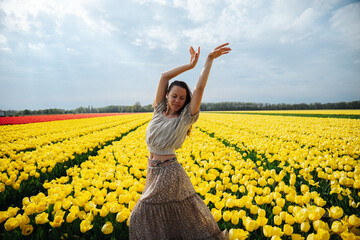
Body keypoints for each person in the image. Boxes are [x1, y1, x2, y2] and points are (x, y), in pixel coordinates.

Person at [129, 43, 231, 240]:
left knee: (138, 216)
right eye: (174, 96)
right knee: (171, 222)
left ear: (186, 101)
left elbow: (199, 88)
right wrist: (189, 65)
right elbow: (164, 77)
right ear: (166, 95)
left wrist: (208, 60)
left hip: (169, 172)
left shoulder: (185, 118)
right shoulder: (158, 110)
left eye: (182, 98)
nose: (177, 100)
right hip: (153, 170)